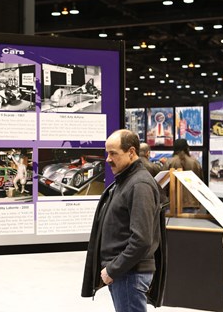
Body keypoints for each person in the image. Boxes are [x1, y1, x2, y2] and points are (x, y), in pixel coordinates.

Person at [81, 129, 161, 312]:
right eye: (107, 153)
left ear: (131, 152)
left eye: (113, 153)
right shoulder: (126, 180)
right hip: (125, 273)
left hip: (129, 274)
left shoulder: (139, 185)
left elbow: (141, 240)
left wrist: (113, 269)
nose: (108, 159)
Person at [162, 138, 203, 209]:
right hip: (192, 203)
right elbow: (201, 183)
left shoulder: (169, 162)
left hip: (173, 204)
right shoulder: (195, 163)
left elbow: (163, 184)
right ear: (187, 148)